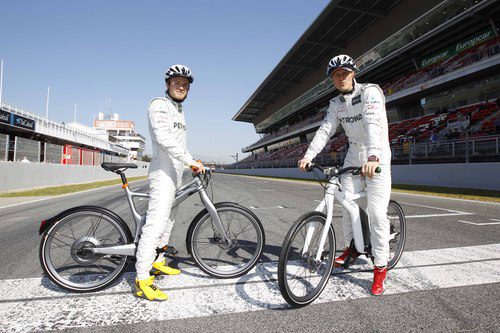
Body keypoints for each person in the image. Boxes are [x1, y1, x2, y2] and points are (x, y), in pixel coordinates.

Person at [298, 55, 392, 296]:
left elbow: (372, 124)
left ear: (353, 73)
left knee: (377, 214)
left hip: (377, 151)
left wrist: (372, 157)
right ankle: (354, 247)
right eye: (335, 75)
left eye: (344, 73)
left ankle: (380, 266)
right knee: (344, 200)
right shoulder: (335, 103)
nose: (340, 78)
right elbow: (325, 130)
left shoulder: (370, 92)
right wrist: (308, 156)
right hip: (353, 153)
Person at [135, 64, 205, 301]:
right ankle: (142, 278)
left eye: (185, 85)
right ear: (167, 84)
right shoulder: (159, 105)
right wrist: (189, 160)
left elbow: (181, 144)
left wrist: (190, 159)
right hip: (162, 172)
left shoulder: (179, 109)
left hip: (175, 171)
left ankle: (158, 261)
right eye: (177, 83)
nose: (181, 87)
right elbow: (163, 138)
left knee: (169, 220)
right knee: (155, 225)